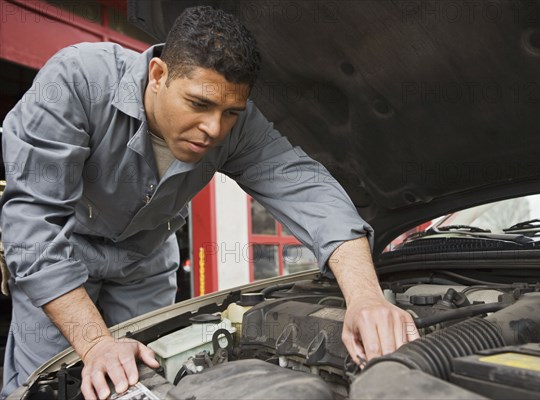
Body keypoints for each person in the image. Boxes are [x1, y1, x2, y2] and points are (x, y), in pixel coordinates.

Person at [0, 6, 418, 399]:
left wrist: (366, 297)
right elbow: (34, 223)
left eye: (230, 112)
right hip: (63, 255)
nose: (214, 129)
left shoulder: (236, 127)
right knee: (53, 382)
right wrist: (95, 344)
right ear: (159, 74)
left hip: (144, 263)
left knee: (151, 378)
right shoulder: (77, 81)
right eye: (199, 104)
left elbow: (308, 189)